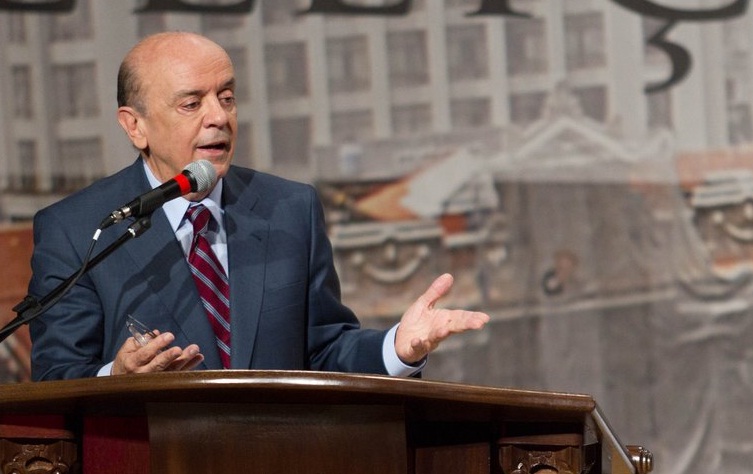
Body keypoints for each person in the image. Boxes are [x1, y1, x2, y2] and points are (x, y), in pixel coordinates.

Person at [27, 31, 490, 381]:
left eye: (227, 98)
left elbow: (324, 350)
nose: (218, 116)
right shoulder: (77, 229)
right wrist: (116, 377)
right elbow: (57, 375)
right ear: (135, 126)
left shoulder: (289, 208)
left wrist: (397, 349)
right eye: (192, 104)